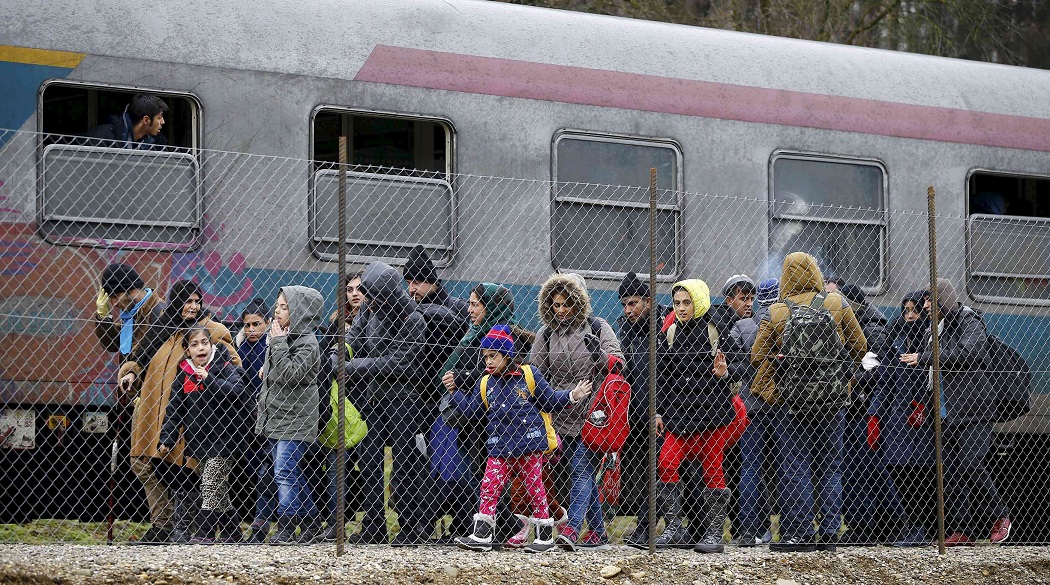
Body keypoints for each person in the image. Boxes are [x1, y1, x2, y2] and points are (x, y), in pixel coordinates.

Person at [750, 252, 867, 553]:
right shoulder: (837, 303)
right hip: (832, 401)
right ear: (815, 272)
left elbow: (755, 356)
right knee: (831, 467)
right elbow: (861, 346)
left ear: (786, 277)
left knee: (795, 465)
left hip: (791, 404)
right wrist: (844, 381)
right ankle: (829, 533)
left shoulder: (777, 311)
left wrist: (775, 392)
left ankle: (799, 534)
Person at [449, 326, 593, 553]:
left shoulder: (529, 375)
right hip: (499, 448)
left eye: (493, 356)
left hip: (529, 446)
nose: (488, 361)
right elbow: (473, 413)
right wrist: (455, 395)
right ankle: (482, 536)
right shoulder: (486, 382)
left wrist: (572, 396)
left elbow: (549, 401)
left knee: (535, 488)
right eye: (485, 356)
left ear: (507, 355)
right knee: (489, 486)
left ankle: (544, 539)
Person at [900, 279, 1012, 546]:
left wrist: (925, 357)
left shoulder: (969, 320)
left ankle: (1001, 517)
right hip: (944, 412)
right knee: (949, 471)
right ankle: (963, 531)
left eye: (930, 301)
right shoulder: (934, 328)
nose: (925, 306)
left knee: (971, 464)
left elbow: (968, 354)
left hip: (974, 408)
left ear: (943, 300)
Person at [131, 279, 242, 544]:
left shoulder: (210, 330)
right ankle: (169, 524)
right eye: (187, 301)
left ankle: (185, 530)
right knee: (142, 463)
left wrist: (209, 377)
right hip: (154, 412)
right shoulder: (163, 329)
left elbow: (233, 365)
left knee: (192, 476)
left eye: (196, 301)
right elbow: (139, 358)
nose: (192, 307)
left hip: (192, 413)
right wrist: (130, 373)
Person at [652, 279, 748, 554]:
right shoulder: (669, 333)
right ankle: (674, 527)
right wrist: (659, 410)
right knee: (667, 462)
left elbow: (742, 365)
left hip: (712, 416)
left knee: (712, 471)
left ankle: (715, 532)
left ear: (699, 301)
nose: (681, 308)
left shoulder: (716, 330)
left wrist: (725, 373)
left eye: (687, 302)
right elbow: (662, 377)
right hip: (679, 416)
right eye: (677, 303)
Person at [338, 262, 430, 546]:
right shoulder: (370, 307)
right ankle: (375, 523)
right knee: (368, 460)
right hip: (374, 395)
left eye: (376, 297)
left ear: (388, 295)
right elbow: (353, 339)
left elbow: (397, 363)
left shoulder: (413, 319)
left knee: (404, 462)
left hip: (403, 399)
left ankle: (412, 526)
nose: (370, 301)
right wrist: (337, 353)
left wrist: (349, 366)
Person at [531, 273, 623, 551]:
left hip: (592, 415)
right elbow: (534, 372)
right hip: (560, 415)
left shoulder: (598, 327)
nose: (561, 311)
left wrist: (601, 356)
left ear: (579, 303)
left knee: (582, 471)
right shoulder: (546, 334)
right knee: (579, 475)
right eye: (556, 305)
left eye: (567, 305)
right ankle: (597, 534)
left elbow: (619, 365)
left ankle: (571, 530)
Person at [438, 283, 532, 545]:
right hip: (473, 417)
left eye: (475, 304)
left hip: (492, 420)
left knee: (489, 476)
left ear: (491, 307)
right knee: (483, 475)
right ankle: (499, 528)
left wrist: (461, 379)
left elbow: (498, 373)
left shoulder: (502, 334)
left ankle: (506, 526)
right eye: (469, 303)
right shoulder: (476, 332)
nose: (469, 309)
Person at [92, 263, 169, 544]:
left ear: (125, 291)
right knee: (147, 460)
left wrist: (131, 371)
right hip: (143, 396)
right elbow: (115, 344)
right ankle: (167, 526)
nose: (112, 303)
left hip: (156, 397)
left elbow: (141, 353)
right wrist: (101, 315)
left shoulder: (156, 312)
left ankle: (166, 526)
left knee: (144, 460)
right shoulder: (132, 314)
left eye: (112, 298)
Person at [158, 325, 251, 544]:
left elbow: (237, 392)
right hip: (200, 441)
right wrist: (167, 439)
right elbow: (175, 409)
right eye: (194, 344)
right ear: (187, 350)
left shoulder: (225, 366)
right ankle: (232, 532)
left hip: (226, 439)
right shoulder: (185, 374)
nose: (201, 348)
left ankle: (204, 533)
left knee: (210, 484)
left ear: (212, 345)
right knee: (217, 488)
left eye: (204, 343)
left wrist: (208, 379)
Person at [838, 284, 906, 545]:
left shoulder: (872, 326)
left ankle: (875, 524)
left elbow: (882, 367)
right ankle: (868, 524)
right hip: (856, 408)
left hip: (866, 409)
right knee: (857, 468)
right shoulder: (856, 323)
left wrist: (856, 376)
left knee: (864, 468)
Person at [256, 286, 325, 545]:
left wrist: (277, 344)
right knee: (289, 471)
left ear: (300, 312)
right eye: (278, 305)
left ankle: (286, 526)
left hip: (297, 417)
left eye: (284, 307)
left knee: (284, 471)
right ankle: (312, 524)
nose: (277, 311)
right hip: (277, 414)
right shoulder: (282, 336)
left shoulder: (308, 343)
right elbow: (275, 371)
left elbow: (291, 375)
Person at [873, 291, 936, 547]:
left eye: (916, 311)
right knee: (898, 470)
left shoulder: (932, 340)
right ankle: (911, 526)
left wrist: (925, 405)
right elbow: (885, 381)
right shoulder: (895, 339)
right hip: (898, 418)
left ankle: (922, 529)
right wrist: (875, 414)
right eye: (906, 310)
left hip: (925, 418)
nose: (910, 315)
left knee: (922, 472)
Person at [614, 272, 670, 548]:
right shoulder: (624, 328)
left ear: (648, 301)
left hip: (661, 414)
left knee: (659, 471)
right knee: (640, 472)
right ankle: (648, 527)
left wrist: (660, 411)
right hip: (631, 415)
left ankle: (649, 529)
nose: (628, 310)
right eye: (624, 304)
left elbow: (667, 375)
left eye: (633, 303)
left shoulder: (663, 326)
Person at [727, 277, 780, 547]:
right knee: (787, 466)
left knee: (750, 467)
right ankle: (793, 527)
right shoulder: (785, 321)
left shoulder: (743, 325)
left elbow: (733, 362)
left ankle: (751, 530)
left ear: (759, 298)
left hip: (751, 404)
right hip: (783, 405)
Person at [236, 298, 279, 543]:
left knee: (266, 473)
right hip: (244, 420)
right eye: (247, 325)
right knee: (256, 471)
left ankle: (260, 526)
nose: (251, 329)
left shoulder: (271, 346)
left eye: (256, 324)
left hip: (269, 417)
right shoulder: (240, 348)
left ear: (267, 323)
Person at [83, 93, 168, 150]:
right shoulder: (101, 137)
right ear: (146, 120)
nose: (163, 122)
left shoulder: (157, 142)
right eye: (159, 117)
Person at [403, 244, 469, 317]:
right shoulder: (408, 309)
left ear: (432, 282)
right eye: (408, 283)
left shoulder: (458, 307)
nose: (411, 289)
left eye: (416, 282)